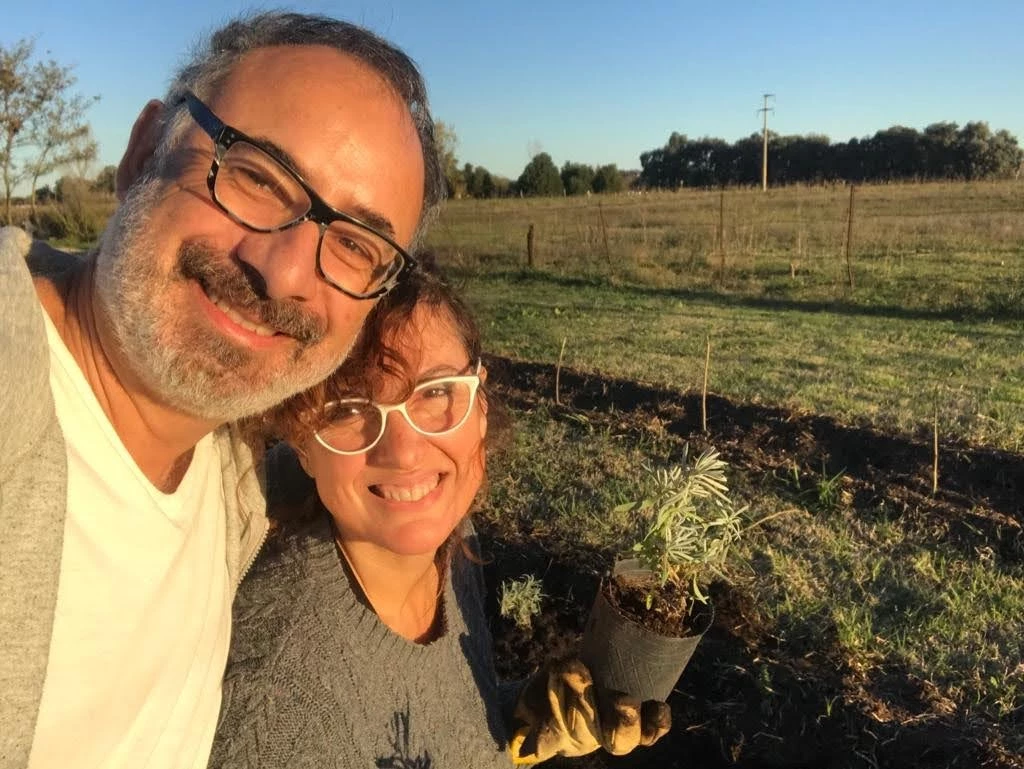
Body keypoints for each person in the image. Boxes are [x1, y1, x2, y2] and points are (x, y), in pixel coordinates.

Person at [0, 11, 443, 769]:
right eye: (259, 177)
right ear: (144, 151)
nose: (286, 271)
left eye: (357, 245)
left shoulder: (235, 477)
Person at [208, 263, 671, 768]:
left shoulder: (452, 542)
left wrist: (522, 719)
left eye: (435, 393)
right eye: (347, 409)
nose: (404, 454)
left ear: (480, 403)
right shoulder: (274, 715)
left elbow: (439, 720)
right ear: (302, 444)